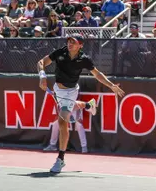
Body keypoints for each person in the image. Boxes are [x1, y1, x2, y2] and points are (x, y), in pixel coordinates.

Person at [38, 34, 125, 173]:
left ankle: (60, 159)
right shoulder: (60, 52)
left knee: (62, 121)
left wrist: (111, 85)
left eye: (74, 42)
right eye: (69, 41)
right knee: (70, 109)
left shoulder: (84, 59)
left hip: (71, 91)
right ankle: (89, 105)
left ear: (80, 45)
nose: (70, 44)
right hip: (57, 89)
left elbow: (97, 74)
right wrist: (42, 75)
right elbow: (41, 62)